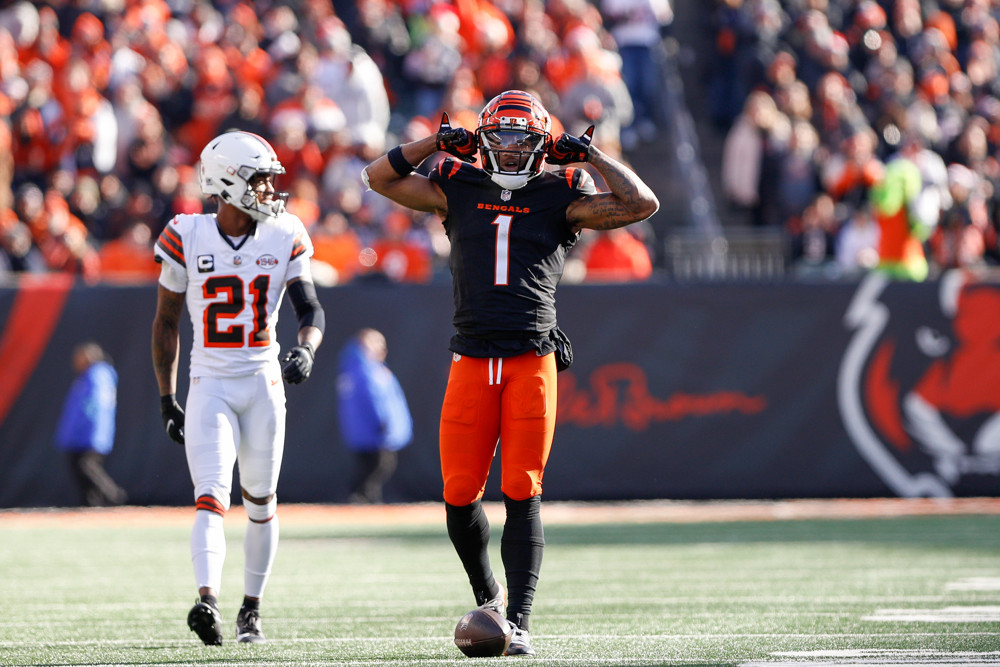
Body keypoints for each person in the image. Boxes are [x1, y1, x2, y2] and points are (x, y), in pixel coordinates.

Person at [362, 90, 658, 656]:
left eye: (524, 138)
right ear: (484, 138)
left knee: (522, 488)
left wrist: (591, 156)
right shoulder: (457, 183)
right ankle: (488, 596)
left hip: (530, 360)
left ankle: (518, 620)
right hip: (471, 359)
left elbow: (641, 203)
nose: (511, 147)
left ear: (543, 143)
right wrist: (435, 140)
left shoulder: (562, 191)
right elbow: (377, 177)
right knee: (457, 492)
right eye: (500, 135)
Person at [151, 130, 325, 646]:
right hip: (210, 382)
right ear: (227, 182)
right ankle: (208, 601)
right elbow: (165, 322)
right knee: (209, 497)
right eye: (261, 178)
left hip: (263, 381)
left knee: (261, 501)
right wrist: (168, 395)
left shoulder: (284, 231)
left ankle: (251, 609)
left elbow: (309, 308)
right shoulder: (187, 233)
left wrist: (308, 347)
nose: (272, 189)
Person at [336, 328, 413, 504]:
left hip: (365, 432)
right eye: (376, 344)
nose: (382, 349)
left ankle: (367, 500)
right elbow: (373, 399)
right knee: (378, 465)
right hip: (373, 432)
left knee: (374, 467)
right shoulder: (364, 371)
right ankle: (358, 497)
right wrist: (383, 422)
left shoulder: (359, 368)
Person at [53, 341, 128, 507]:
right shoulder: (90, 376)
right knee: (80, 470)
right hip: (83, 435)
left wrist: (82, 432)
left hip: (88, 436)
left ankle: (115, 497)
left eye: (79, 357)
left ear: (89, 357)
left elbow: (93, 408)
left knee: (86, 467)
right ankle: (92, 504)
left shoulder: (97, 376)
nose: (76, 361)